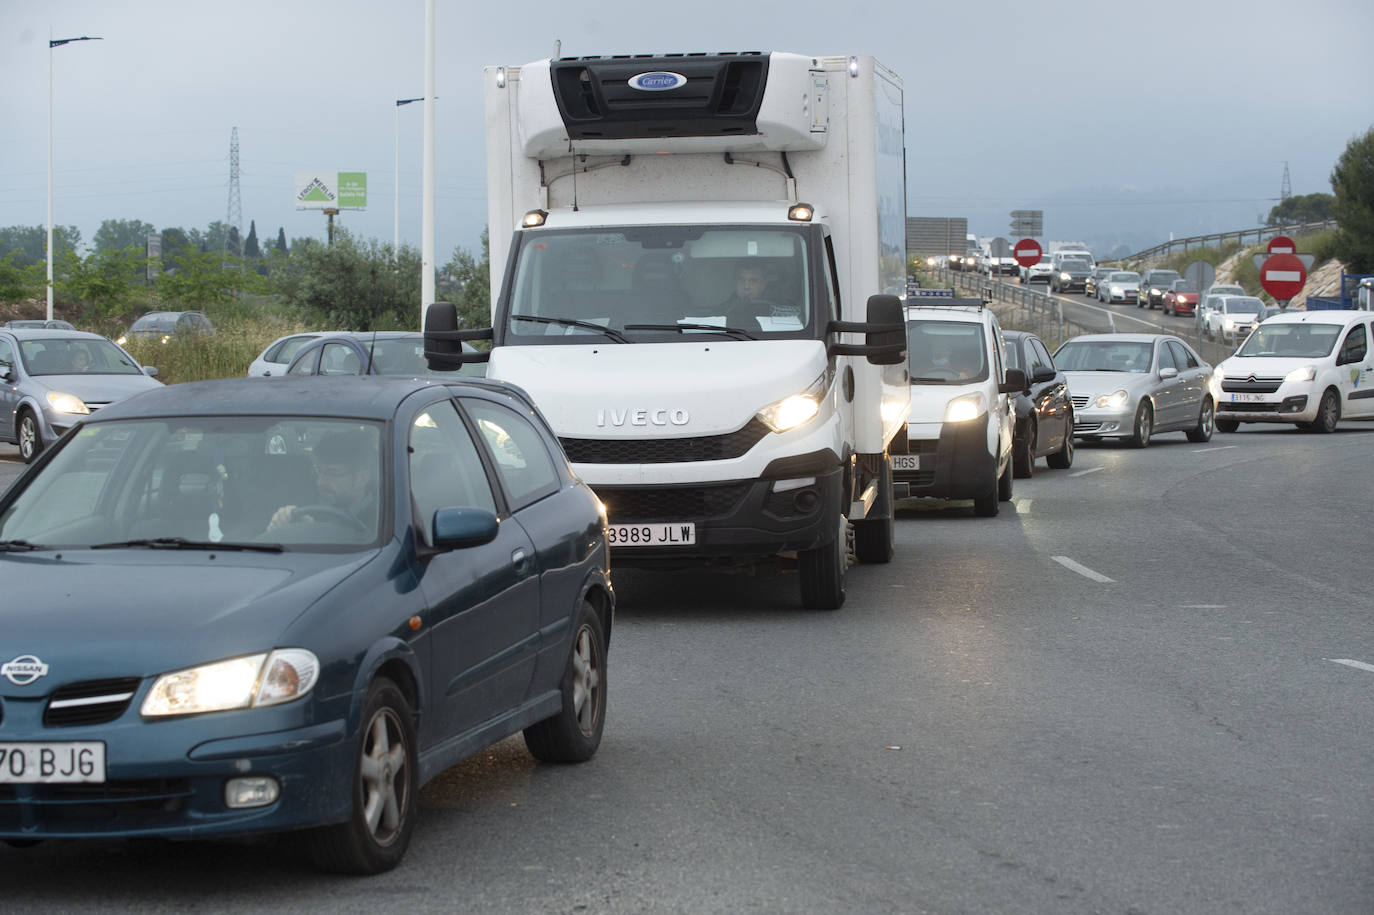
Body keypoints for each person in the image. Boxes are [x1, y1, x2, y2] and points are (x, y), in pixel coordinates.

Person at [266, 429, 378, 534]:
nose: (320, 482)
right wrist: (278, 527)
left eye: (332, 473)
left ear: (362, 478)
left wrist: (312, 532)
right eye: (318, 471)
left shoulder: (381, 522)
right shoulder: (302, 502)